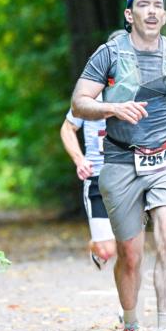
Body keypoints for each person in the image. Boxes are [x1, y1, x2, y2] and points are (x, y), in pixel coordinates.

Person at [71, 0, 166, 331]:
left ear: (165, 15)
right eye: (143, 5)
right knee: (130, 255)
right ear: (130, 15)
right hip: (120, 161)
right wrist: (112, 109)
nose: (152, 11)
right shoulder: (109, 53)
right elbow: (79, 103)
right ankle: (131, 329)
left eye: (158, 5)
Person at [60, 100, 117, 270]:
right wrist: (80, 160)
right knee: (106, 250)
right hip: (97, 177)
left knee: (129, 246)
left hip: (130, 177)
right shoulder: (88, 97)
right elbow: (67, 128)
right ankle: (96, 244)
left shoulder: (137, 91)